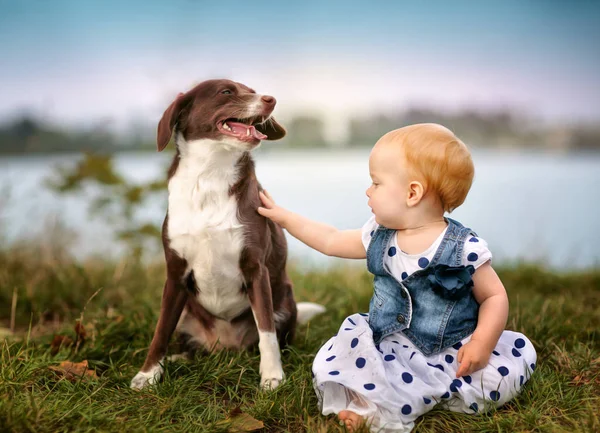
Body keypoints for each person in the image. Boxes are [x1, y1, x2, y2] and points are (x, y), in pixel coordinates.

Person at [257, 123, 537, 432]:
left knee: (483, 380)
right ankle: (370, 406)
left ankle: (387, 406)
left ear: (413, 193)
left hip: (448, 350)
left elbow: (494, 297)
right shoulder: (379, 236)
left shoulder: (463, 249)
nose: (368, 190)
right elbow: (330, 239)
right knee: (350, 360)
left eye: (376, 183)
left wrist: (483, 343)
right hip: (387, 345)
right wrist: (284, 217)